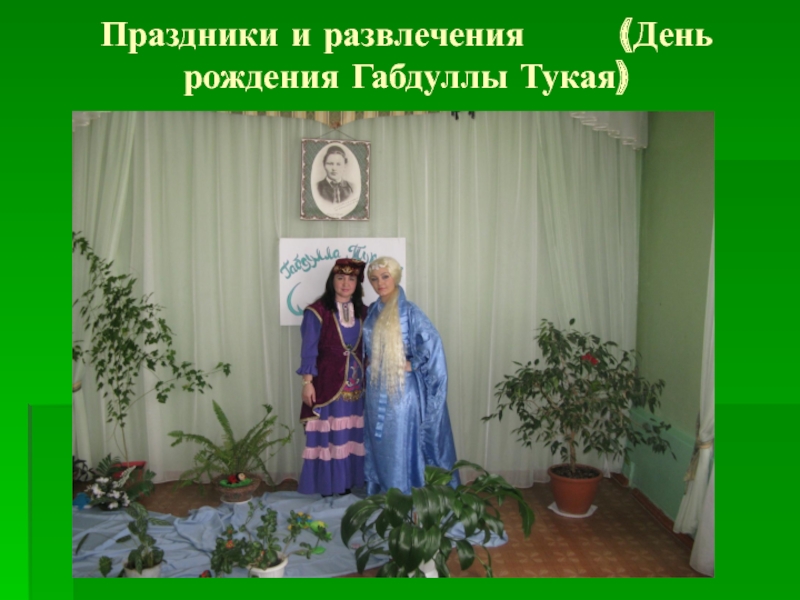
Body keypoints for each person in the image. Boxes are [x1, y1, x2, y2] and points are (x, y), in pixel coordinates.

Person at [362, 257, 460, 495]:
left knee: (399, 441)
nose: (379, 283)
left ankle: (405, 493)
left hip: (402, 391)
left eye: (385, 276)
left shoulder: (409, 311)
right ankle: (383, 491)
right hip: (376, 389)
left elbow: (432, 345)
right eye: (374, 279)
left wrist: (412, 363)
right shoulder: (372, 311)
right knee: (380, 442)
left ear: (395, 277)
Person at [297, 258, 367, 495]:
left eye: (351, 279)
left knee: (350, 433)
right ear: (332, 280)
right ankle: (328, 484)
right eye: (340, 278)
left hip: (357, 385)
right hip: (327, 383)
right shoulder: (317, 312)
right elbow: (308, 350)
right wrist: (307, 382)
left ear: (357, 283)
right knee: (330, 434)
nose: (346, 283)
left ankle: (347, 483)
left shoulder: (365, 312)